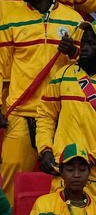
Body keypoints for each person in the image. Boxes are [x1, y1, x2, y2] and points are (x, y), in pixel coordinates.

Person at [0, 0, 86, 203]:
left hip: (61, 116)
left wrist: (74, 53)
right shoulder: (11, 20)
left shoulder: (73, 20)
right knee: (10, 183)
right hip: (21, 113)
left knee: (65, 183)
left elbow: (88, 68)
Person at [38, 22, 96, 162]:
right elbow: (46, 115)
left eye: (91, 44)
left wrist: (91, 157)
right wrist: (45, 148)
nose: (84, 48)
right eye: (83, 43)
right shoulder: (63, 75)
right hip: (65, 166)